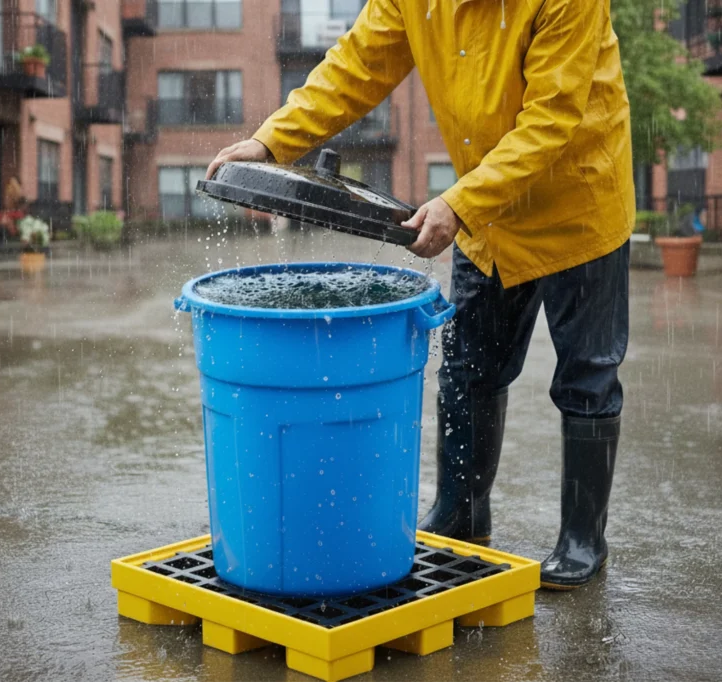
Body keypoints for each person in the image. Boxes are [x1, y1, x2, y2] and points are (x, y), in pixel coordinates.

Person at [206, 0, 634, 589]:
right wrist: (272, 142)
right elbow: (355, 67)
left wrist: (460, 202)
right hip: (487, 213)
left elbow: (550, 121)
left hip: (577, 205)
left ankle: (584, 538)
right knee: (467, 368)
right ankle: (463, 511)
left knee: (587, 377)